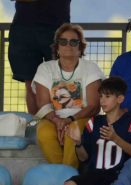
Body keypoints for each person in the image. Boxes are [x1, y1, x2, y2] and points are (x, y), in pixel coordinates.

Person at [64, 77, 131, 185]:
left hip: (120, 176)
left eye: (107, 96)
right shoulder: (94, 122)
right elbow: (83, 158)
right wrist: (78, 143)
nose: (102, 101)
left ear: (120, 99)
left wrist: (115, 138)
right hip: (96, 174)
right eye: (100, 96)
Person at [33, 22, 103, 168]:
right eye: (63, 42)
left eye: (74, 42)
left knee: (73, 132)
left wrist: (69, 120)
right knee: (43, 133)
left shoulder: (90, 68)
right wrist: (58, 121)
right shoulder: (45, 68)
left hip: (81, 118)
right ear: (57, 47)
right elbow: (43, 104)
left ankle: (66, 174)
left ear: (80, 47)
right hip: (53, 118)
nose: (68, 45)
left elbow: (94, 106)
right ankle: (64, 175)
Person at [7, 0, 70, 115]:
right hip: (24, 29)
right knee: (31, 85)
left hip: (57, 27)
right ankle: (36, 124)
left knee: (61, 81)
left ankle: (63, 123)